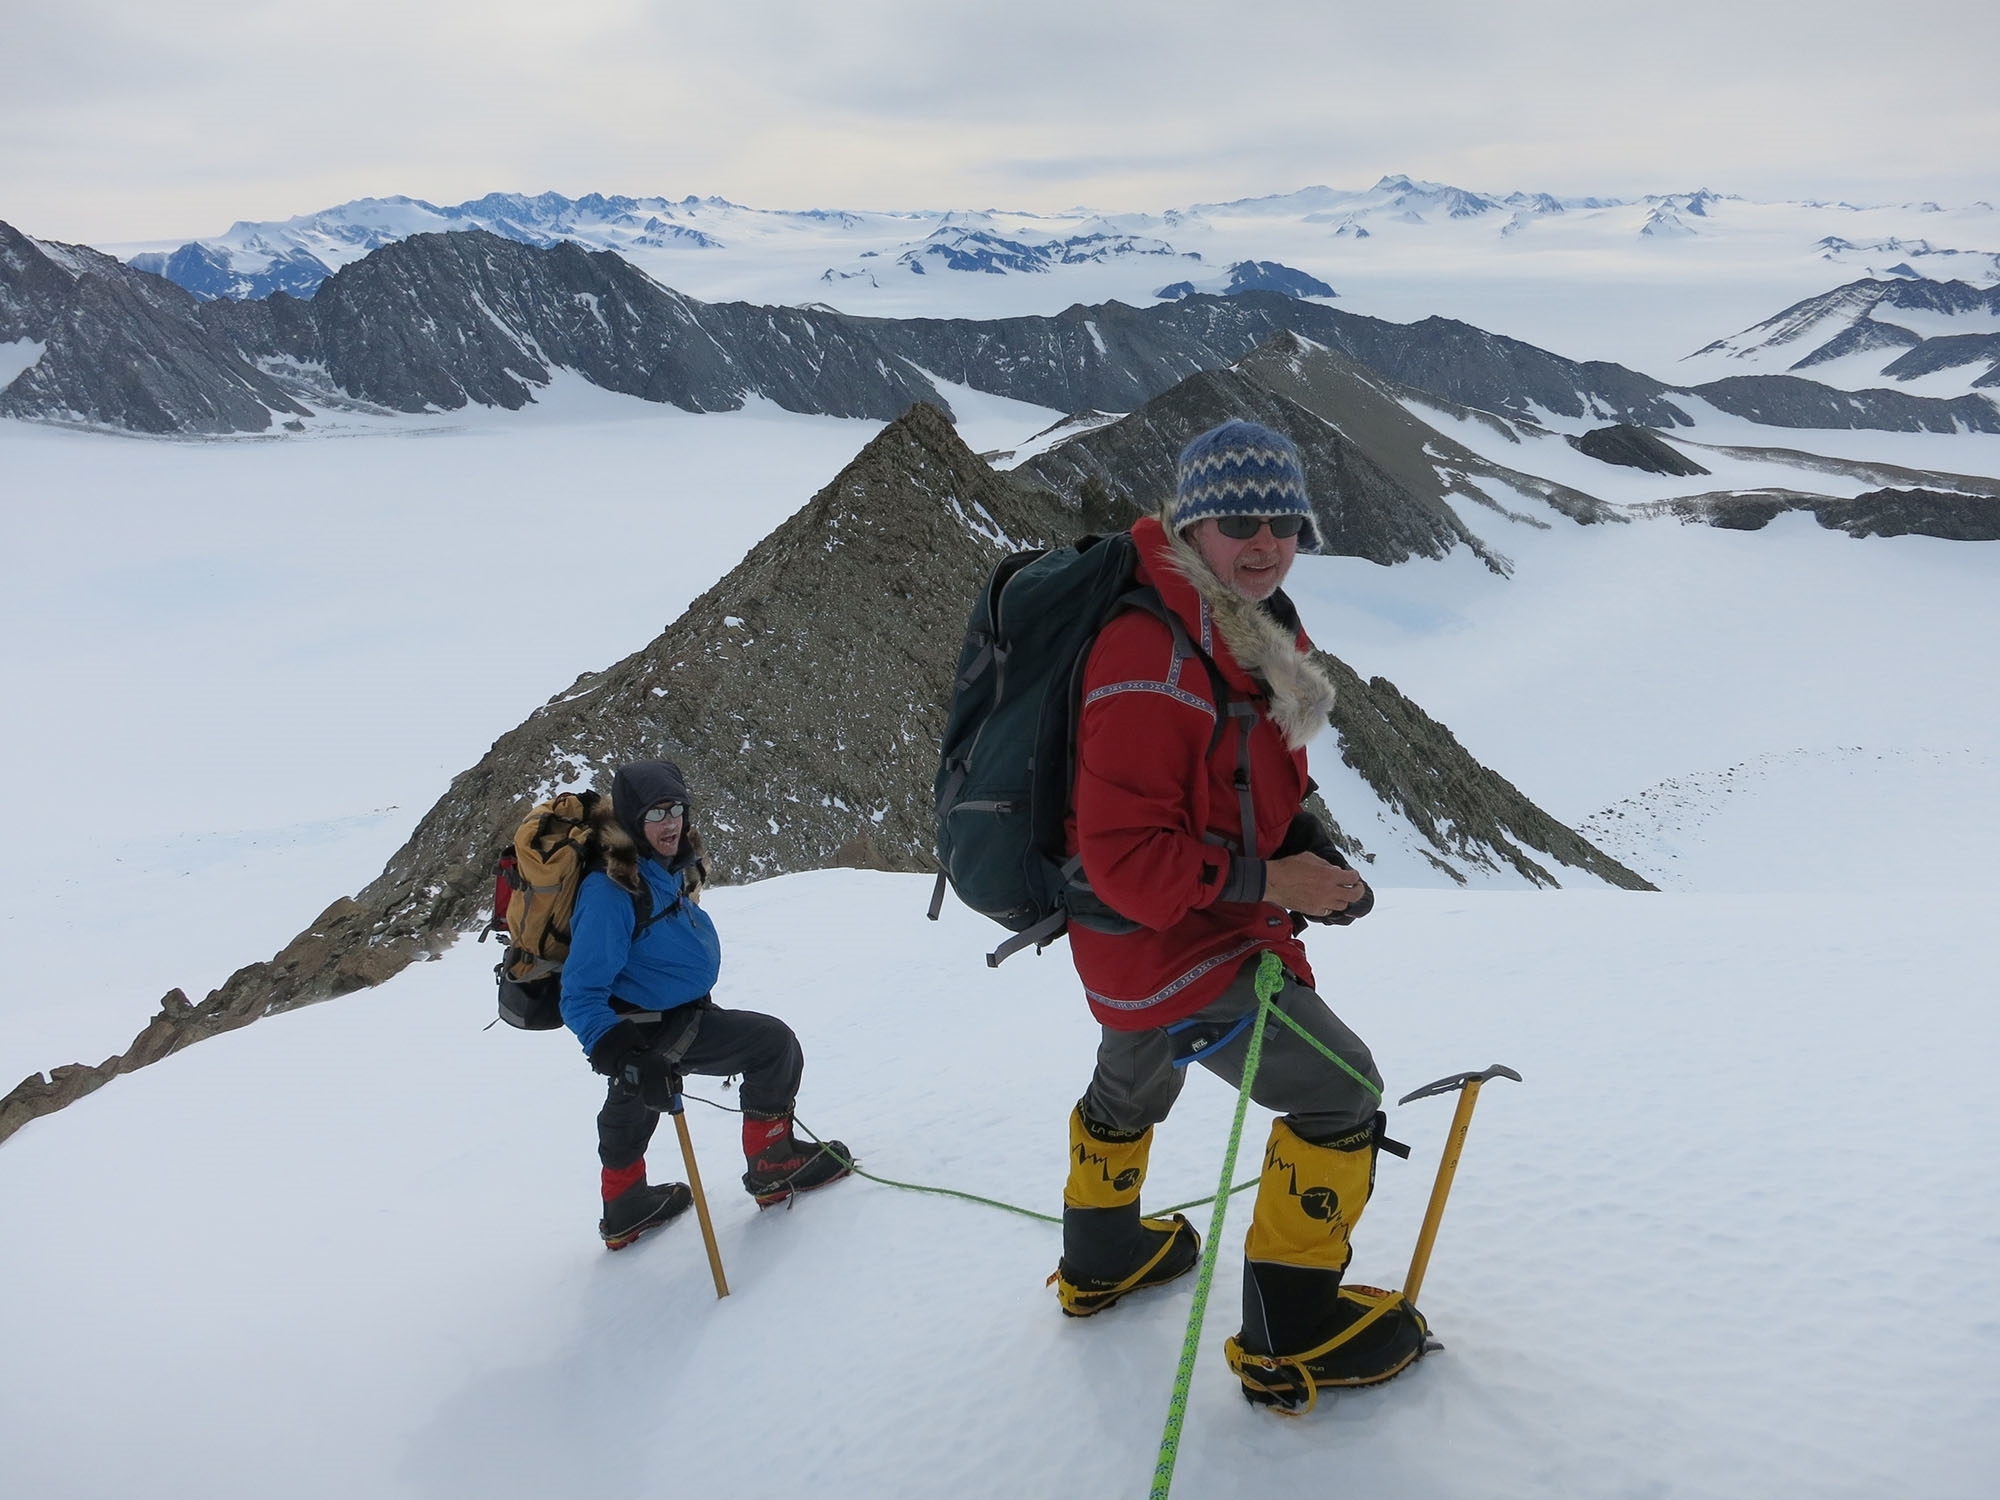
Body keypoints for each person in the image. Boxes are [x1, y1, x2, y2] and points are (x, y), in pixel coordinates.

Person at [1049, 420, 1428, 1404]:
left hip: (1130, 952)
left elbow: (1236, 784)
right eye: (1237, 521)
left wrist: (1303, 846)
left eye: (1283, 521)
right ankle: (1286, 1335)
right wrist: (1273, 885)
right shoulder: (1151, 660)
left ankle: (1099, 1261)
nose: (1264, 542)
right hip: (1176, 942)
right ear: (1190, 523)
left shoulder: (1238, 627)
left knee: (1129, 1080)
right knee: (1339, 1093)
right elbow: (1127, 860)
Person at [560, 759, 850, 1249]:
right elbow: (580, 993)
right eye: (655, 814)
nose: (670, 822)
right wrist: (626, 1055)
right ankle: (773, 1165)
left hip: (658, 1018)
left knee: (637, 1094)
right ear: (632, 819)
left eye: (676, 808)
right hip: (656, 1024)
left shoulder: (660, 863)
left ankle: (625, 1203)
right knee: (772, 1045)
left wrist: (635, 1063)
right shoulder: (611, 890)